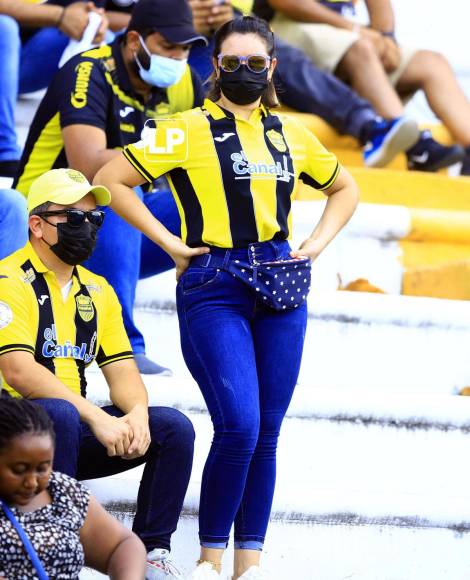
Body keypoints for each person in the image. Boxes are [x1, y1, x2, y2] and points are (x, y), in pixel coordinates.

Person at [94, 15, 359, 579]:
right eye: (232, 63)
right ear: (215, 67)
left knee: (266, 429)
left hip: (281, 281)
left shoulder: (290, 134)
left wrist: (312, 245)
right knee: (239, 423)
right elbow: (110, 177)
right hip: (215, 282)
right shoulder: (184, 128)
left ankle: (249, 564)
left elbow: (345, 186)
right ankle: (209, 561)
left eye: (254, 63)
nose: (243, 71)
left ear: (272, 68)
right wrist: (170, 243)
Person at [0, 168, 196, 580]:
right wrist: (98, 417)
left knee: (173, 428)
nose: (86, 228)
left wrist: (136, 417)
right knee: (61, 414)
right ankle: (58, 541)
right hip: (12, 434)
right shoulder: (7, 279)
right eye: (73, 218)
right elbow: (17, 370)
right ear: (36, 225)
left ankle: (150, 554)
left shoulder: (99, 291)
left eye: (94, 219)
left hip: (70, 429)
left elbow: (124, 373)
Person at [11, 0, 208, 375]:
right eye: (168, 47)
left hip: (110, 237)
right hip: (42, 223)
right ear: (135, 40)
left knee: (211, 203)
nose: (178, 58)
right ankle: (124, 346)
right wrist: (166, 154)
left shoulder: (184, 83)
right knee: (114, 186)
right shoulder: (88, 70)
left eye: (185, 50)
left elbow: (203, 159)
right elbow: (88, 165)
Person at [188, 0, 420, 168]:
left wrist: (223, 13)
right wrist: (178, 18)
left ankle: (370, 127)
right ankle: (400, 139)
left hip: (221, 32)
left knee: (269, 52)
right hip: (174, 45)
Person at [253, 0, 470, 173]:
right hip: (285, 30)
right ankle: (416, 147)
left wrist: (387, 39)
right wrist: (355, 30)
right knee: (361, 48)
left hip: (347, 35)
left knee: (432, 63)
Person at [0, 397, 146, 579]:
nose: (32, 482)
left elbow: (122, 545)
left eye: (42, 468)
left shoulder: (61, 491)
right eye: (18, 470)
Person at [0, 0, 108, 178]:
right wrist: (60, 15)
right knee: (4, 27)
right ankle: (4, 149)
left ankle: (89, 139)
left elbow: (89, 8)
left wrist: (93, 20)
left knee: (99, 34)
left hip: (24, 63)